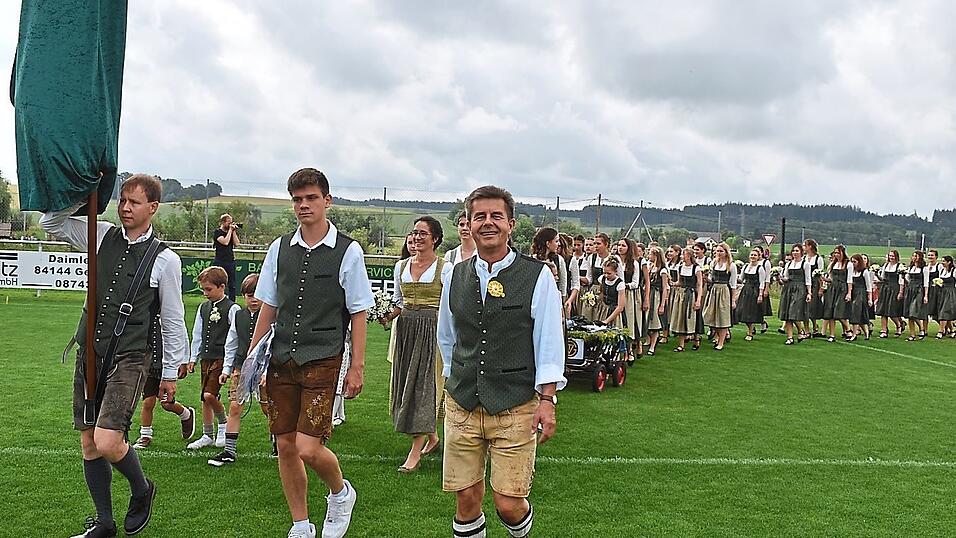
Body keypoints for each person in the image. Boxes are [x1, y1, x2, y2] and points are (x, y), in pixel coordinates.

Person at [41, 174, 187, 538]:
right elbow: (51, 223)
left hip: (131, 357)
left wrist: (170, 372)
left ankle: (142, 488)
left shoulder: (166, 259)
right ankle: (104, 523)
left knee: (107, 441)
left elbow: (173, 318)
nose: (125, 207)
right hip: (90, 350)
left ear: (153, 207)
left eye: (134, 202)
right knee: (89, 442)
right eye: (122, 200)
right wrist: (86, 191)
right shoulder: (101, 233)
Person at [249, 168, 373, 538]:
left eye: (311, 198)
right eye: (297, 199)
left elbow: (359, 312)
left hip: (324, 356)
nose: (304, 205)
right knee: (285, 445)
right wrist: (251, 359)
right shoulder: (279, 248)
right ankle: (300, 524)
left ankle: (341, 492)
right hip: (281, 357)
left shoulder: (348, 250)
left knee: (307, 447)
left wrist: (357, 366)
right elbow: (269, 305)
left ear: (326, 200)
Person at [438, 185, 565, 538]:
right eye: (480, 216)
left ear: (511, 224)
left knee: (508, 503)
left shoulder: (537, 276)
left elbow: (549, 342)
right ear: (469, 224)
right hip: (462, 402)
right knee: (466, 498)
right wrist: (453, 378)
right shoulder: (454, 275)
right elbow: (447, 335)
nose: (488, 222)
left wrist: (547, 400)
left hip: (515, 403)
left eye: (497, 216)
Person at [379, 217, 451, 473]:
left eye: (423, 233)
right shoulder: (401, 266)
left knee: (425, 386)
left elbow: (450, 306)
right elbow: (399, 302)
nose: (417, 237)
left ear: (435, 239)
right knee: (407, 383)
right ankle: (432, 436)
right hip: (406, 330)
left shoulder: (446, 268)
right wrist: (386, 315)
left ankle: (414, 453)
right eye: (414, 233)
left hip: (432, 330)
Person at [209, 273, 270, 466]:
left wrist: (266, 372)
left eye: (258, 295)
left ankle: (279, 443)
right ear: (243, 296)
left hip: (266, 367)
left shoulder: (271, 316)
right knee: (235, 406)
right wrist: (226, 369)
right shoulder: (239, 315)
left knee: (269, 407)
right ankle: (229, 451)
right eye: (249, 295)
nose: (254, 300)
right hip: (241, 366)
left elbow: (273, 345)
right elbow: (232, 342)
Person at [185, 266, 240, 451]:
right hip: (206, 357)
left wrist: (230, 364)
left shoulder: (232, 308)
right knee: (204, 397)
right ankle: (207, 434)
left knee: (210, 395)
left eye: (208, 289)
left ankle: (223, 424)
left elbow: (235, 336)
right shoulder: (203, 308)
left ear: (222, 287)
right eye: (203, 289)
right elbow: (197, 334)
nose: (205, 293)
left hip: (221, 357)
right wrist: (193, 357)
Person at [131, 317, 196, 449]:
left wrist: (184, 361)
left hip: (167, 366)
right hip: (148, 364)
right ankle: (145, 435)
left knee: (166, 403)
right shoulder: (145, 314)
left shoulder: (170, 316)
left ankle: (186, 414)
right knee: (148, 401)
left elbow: (181, 337)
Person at [617, 238, 649, 357]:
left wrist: (623, 285)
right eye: (619, 245)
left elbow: (636, 283)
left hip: (630, 294)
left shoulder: (634, 263)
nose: (620, 248)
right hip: (617, 292)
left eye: (623, 245)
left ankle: (631, 348)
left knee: (630, 320)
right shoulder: (615, 261)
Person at [702, 242, 737, 351]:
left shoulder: (731, 265)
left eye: (721, 251)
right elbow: (711, 279)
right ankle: (718, 335)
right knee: (709, 316)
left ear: (726, 252)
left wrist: (733, 300)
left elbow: (733, 284)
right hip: (713, 290)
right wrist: (705, 278)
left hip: (724, 291)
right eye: (717, 251)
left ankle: (721, 342)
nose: (718, 253)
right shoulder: (713, 263)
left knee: (723, 318)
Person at [668, 247, 704, 352]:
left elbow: (699, 285)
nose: (681, 256)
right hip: (681, 295)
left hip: (692, 295)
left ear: (689, 256)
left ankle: (696, 339)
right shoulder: (680, 267)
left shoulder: (696, 268)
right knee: (681, 318)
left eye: (683, 254)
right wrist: (672, 283)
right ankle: (681, 344)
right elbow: (680, 282)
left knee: (694, 317)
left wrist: (698, 300)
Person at [779, 244, 812, 345]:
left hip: (800, 289)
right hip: (788, 288)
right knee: (787, 314)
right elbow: (786, 278)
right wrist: (779, 277)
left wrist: (809, 293)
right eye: (793, 251)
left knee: (793, 312)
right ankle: (790, 337)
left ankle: (801, 330)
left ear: (801, 252)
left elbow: (808, 279)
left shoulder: (805, 264)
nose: (795, 253)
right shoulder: (789, 264)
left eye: (797, 251)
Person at [531, 227, 569, 306]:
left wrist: (562, 302)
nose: (558, 244)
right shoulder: (532, 259)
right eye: (556, 241)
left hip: (554, 299)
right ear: (548, 243)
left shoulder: (559, 259)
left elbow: (563, 283)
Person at [736, 247, 768, 341]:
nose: (753, 257)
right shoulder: (746, 266)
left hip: (754, 291)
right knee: (740, 311)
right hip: (746, 290)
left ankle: (750, 333)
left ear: (758, 257)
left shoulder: (760, 268)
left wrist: (760, 295)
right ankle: (752, 328)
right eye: (751, 255)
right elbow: (741, 279)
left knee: (750, 312)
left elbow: (762, 282)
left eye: (755, 255)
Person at [821, 246, 851, 342]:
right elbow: (831, 279)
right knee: (830, 311)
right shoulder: (833, 264)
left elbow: (849, 280)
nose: (837, 255)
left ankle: (848, 329)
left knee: (838, 311)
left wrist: (849, 293)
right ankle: (832, 334)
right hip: (832, 288)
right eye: (835, 253)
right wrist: (822, 278)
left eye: (838, 253)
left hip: (842, 288)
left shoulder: (848, 264)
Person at [644, 247, 670, 355]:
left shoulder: (662, 270)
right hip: (648, 295)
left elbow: (665, 288)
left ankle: (652, 346)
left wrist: (662, 304)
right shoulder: (650, 267)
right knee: (646, 320)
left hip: (656, 297)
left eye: (650, 254)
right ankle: (648, 340)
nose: (648, 256)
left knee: (655, 323)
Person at [874, 250, 905, 338]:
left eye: (893, 256)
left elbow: (901, 281)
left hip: (894, 289)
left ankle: (899, 325)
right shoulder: (886, 265)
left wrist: (900, 292)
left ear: (896, 257)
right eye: (890, 256)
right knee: (883, 310)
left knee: (891, 310)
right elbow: (882, 278)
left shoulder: (899, 266)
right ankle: (884, 330)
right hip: (885, 288)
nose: (891, 257)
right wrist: (876, 274)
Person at [902, 250, 930, 341]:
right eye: (913, 256)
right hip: (910, 290)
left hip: (918, 290)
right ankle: (912, 334)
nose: (914, 258)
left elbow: (926, 282)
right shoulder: (911, 268)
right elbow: (907, 281)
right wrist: (903, 276)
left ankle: (921, 329)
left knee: (913, 312)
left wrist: (925, 295)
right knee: (909, 314)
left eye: (916, 256)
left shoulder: (924, 269)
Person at [846, 254, 875, 341]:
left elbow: (868, 286)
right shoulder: (851, 271)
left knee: (855, 313)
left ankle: (854, 334)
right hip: (853, 292)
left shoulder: (864, 271)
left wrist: (870, 299)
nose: (853, 263)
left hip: (861, 294)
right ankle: (866, 332)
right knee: (859, 315)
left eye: (854, 262)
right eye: (852, 262)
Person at [213, 213, 241, 301]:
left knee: (232, 284)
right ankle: (217, 299)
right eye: (229, 222)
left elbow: (237, 243)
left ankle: (232, 301)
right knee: (218, 282)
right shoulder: (218, 232)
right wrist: (230, 231)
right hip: (220, 261)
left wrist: (233, 231)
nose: (230, 224)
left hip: (230, 261)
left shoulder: (230, 232)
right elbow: (225, 242)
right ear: (223, 222)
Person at [804, 239, 825, 337]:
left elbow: (821, 274)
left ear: (810, 246)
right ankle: (807, 330)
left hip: (815, 284)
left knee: (812, 307)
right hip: (806, 284)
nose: (804, 248)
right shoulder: (804, 258)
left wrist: (821, 288)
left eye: (805, 245)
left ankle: (815, 326)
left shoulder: (818, 259)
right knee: (805, 307)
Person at [566, 234, 587, 316]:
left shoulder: (586, 258)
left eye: (579, 245)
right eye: (574, 245)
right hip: (570, 288)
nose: (576, 247)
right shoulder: (570, 258)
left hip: (582, 288)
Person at [935, 256, 956, 338]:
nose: (942, 263)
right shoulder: (942, 270)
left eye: (944, 261)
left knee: (944, 312)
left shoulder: (954, 271)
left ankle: (940, 331)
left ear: (949, 262)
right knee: (944, 312)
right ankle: (952, 331)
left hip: (950, 293)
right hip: (942, 292)